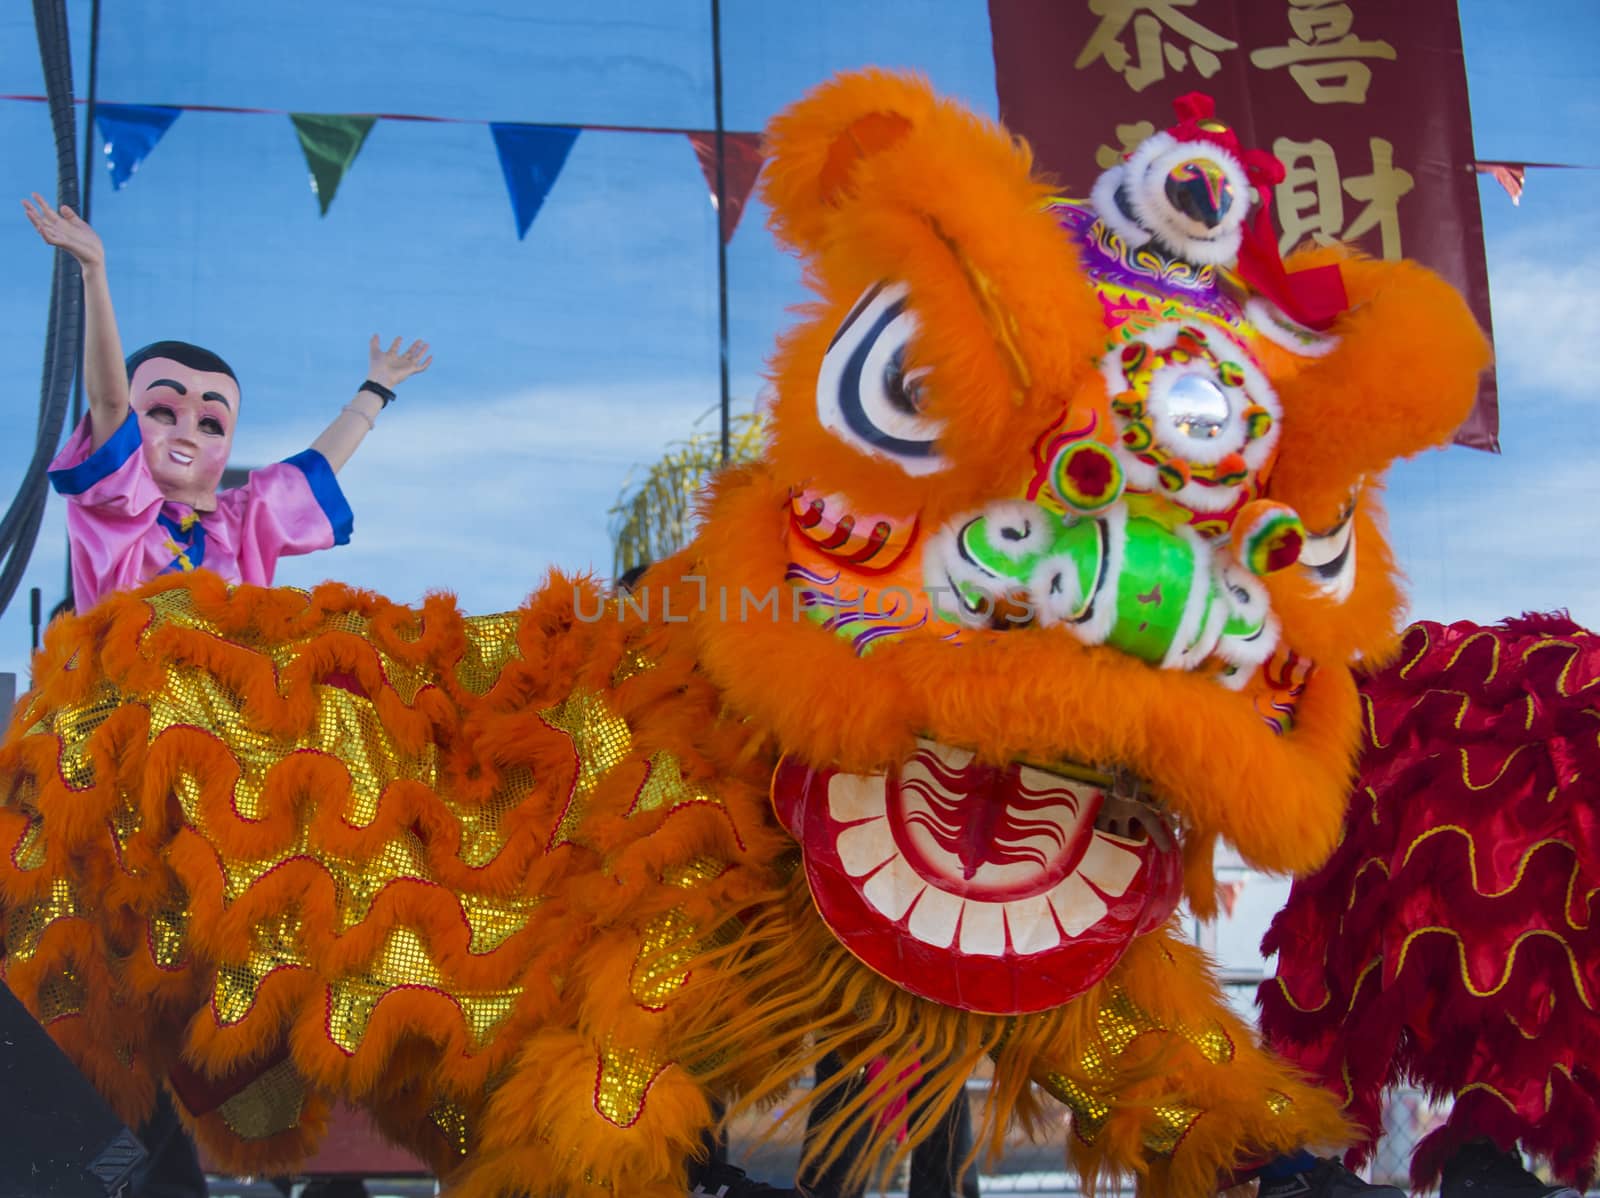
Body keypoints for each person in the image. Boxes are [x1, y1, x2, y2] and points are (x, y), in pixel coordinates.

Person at [22, 192, 431, 612]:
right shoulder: (119, 504)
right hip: (124, 676)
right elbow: (107, 402)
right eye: (163, 412)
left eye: (211, 424)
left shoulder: (239, 523)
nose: (187, 436)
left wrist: (377, 389)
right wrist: (94, 270)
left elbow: (314, 469)